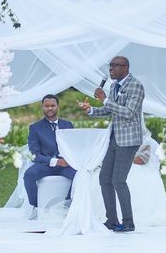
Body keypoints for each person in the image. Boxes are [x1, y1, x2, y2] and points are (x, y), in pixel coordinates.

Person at [78, 56, 145, 232]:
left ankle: (129, 222)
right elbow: (110, 109)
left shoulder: (135, 86)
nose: (111, 70)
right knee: (104, 178)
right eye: (110, 66)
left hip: (129, 140)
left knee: (118, 180)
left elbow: (129, 112)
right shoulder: (114, 85)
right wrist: (91, 110)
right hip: (114, 138)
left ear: (125, 68)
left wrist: (105, 99)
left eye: (114, 66)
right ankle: (112, 220)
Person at [23, 94, 76, 220]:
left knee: (80, 175)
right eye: (46, 106)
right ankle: (36, 206)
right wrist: (56, 161)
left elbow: (74, 146)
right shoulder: (35, 128)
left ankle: (67, 206)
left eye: (52, 105)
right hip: (45, 165)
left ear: (58, 107)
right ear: (42, 107)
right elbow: (34, 155)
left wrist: (70, 160)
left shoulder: (68, 125)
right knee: (29, 175)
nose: (50, 108)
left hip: (66, 165)